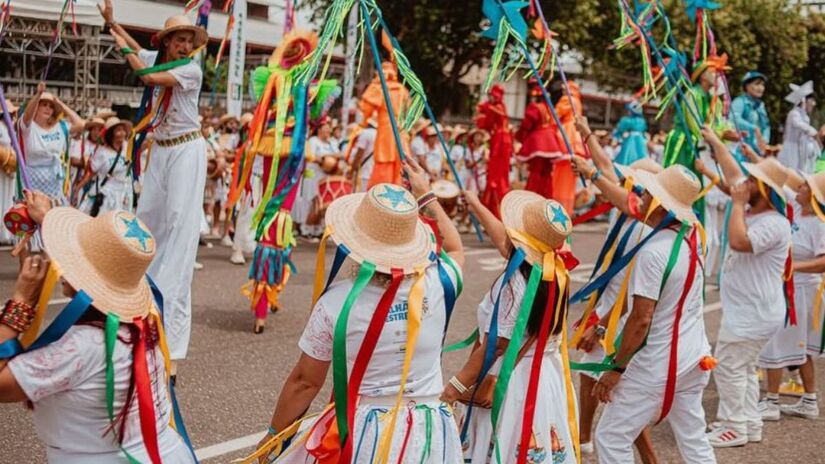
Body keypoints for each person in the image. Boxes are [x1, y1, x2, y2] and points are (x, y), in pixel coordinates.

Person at [252, 156, 464, 463]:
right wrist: (425, 193)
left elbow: (305, 381)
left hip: (367, 432)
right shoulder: (442, 280)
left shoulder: (337, 302)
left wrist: (274, 434)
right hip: (430, 430)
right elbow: (455, 246)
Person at [0, 190, 195, 463]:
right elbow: (113, 258)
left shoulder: (83, 346)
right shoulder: (146, 312)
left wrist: (20, 303)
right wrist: (46, 219)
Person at [574, 154, 715, 462]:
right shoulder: (694, 237)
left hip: (658, 364)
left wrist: (616, 369)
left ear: (662, 204)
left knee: (611, 438)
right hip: (693, 358)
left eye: (650, 193)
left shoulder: (655, 250)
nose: (644, 197)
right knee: (694, 440)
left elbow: (641, 319)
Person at [100, 0, 208, 368]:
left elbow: (147, 76)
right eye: (178, 40)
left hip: (187, 151)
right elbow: (133, 48)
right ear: (166, 42)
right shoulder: (157, 58)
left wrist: (131, 49)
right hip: (160, 152)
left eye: (187, 40)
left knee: (179, 234)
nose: (184, 46)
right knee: (146, 227)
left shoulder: (190, 69)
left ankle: (172, 345)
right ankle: (135, 313)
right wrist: (113, 24)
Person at [445, 188, 578, 464]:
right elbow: (505, 244)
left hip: (513, 379)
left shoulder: (518, 282)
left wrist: (454, 388)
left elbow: (498, 345)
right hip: (543, 376)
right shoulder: (554, 270)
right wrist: (477, 205)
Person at [570, 116, 662, 461]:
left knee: (620, 393)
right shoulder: (630, 208)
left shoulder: (642, 220)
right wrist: (586, 134)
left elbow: (633, 295)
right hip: (609, 305)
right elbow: (606, 166)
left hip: (621, 312)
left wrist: (601, 324)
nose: (625, 184)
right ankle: (582, 437)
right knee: (592, 375)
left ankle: (647, 457)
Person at [702, 126, 793, 448]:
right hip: (752, 311)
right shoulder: (761, 213)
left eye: (752, 181)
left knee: (728, 368)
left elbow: (740, 242)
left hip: (752, 314)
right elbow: (732, 175)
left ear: (764, 190)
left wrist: (738, 204)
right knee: (743, 368)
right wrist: (714, 141)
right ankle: (750, 422)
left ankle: (733, 426)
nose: (744, 184)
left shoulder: (773, 222)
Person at [757, 170, 825, 421]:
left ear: (814, 195)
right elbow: (776, 177)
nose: (800, 187)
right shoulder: (796, 209)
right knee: (801, 348)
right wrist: (751, 155)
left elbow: (823, 262)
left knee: (775, 340)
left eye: (806, 186)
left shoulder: (820, 224)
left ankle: (772, 402)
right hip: (792, 288)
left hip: (801, 292)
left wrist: (793, 267)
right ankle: (810, 401)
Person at [662, 55, 735, 223]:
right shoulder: (693, 94)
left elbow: (715, 124)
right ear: (702, 74)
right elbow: (696, 126)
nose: (717, 75)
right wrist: (717, 136)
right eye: (713, 71)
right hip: (684, 143)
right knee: (678, 183)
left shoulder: (713, 99)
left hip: (700, 144)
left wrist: (725, 133)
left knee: (696, 186)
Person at [19, 82, 85, 205]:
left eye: (51, 106)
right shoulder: (28, 127)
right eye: (43, 105)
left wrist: (60, 103)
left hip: (55, 181)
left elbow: (80, 124)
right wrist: (38, 94)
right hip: (32, 179)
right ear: (36, 107)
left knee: (53, 219)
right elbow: (27, 115)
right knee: (33, 217)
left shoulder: (60, 126)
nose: (48, 108)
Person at [359, 61, 410, 188]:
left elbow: (366, 108)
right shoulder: (402, 90)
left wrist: (364, 122)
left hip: (386, 132)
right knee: (399, 167)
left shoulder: (380, 88)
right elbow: (409, 112)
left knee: (384, 163)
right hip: (401, 132)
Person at [515, 80, 567, 202]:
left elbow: (526, 125)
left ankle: (530, 200)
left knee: (535, 172)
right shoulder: (548, 108)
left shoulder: (534, 107)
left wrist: (520, 137)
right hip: (551, 142)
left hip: (539, 142)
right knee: (547, 173)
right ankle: (546, 199)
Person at [77, 117, 134, 216]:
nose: (122, 133)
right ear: (111, 134)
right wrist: (78, 187)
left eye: (123, 130)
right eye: (118, 130)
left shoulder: (128, 148)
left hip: (124, 194)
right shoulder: (102, 152)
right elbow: (92, 172)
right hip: (107, 195)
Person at [476, 84, 513, 218]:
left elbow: (485, 123)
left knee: (495, 177)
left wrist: (481, 110)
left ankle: (493, 212)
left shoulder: (494, 108)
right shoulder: (501, 107)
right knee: (499, 176)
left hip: (499, 142)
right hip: (503, 141)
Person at [778, 81, 821, 174]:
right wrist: (812, 131)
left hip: (800, 149)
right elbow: (798, 124)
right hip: (791, 150)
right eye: (812, 100)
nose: (814, 103)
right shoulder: (794, 113)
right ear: (803, 100)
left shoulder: (805, 116)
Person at [731, 71, 773, 163]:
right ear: (747, 86)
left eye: (762, 85)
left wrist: (765, 140)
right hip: (742, 150)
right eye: (757, 84)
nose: (761, 88)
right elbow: (734, 118)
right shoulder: (740, 102)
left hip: (757, 151)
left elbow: (766, 125)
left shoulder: (760, 105)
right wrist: (753, 128)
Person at [0, 100, 19, 244]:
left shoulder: (10, 128)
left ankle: (6, 233)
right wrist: (6, 158)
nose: (12, 116)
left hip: (10, 170)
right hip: (2, 168)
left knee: (8, 199)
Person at [613, 101, 649, 166]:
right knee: (641, 156)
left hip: (631, 140)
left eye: (629, 110)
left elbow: (619, 129)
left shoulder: (627, 120)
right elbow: (644, 131)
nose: (628, 112)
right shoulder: (642, 121)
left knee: (627, 157)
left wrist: (618, 137)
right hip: (641, 141)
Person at [350, 118, 377, 192]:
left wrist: (351, 172)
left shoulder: (365, 133)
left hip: (365, 173)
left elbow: (359, 155)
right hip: (375, 174)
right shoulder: (379, 134)